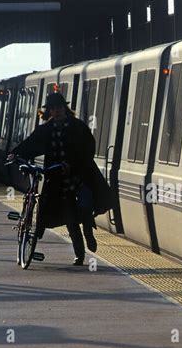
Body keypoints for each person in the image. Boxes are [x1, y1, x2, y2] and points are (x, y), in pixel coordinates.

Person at [8, 92, 112, 265]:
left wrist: (75, 164)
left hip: (79, 176)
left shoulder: (78, 127)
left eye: (59, 107)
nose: (56, 111)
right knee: (70, 218)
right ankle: (80, 254)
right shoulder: (45, 130)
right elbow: (31, 143)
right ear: (50, 111)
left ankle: (88, 231)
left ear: (65, 108)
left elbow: (89, 148)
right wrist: (15, 153)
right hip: (56, 180)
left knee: (86, 206)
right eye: (53, 108)